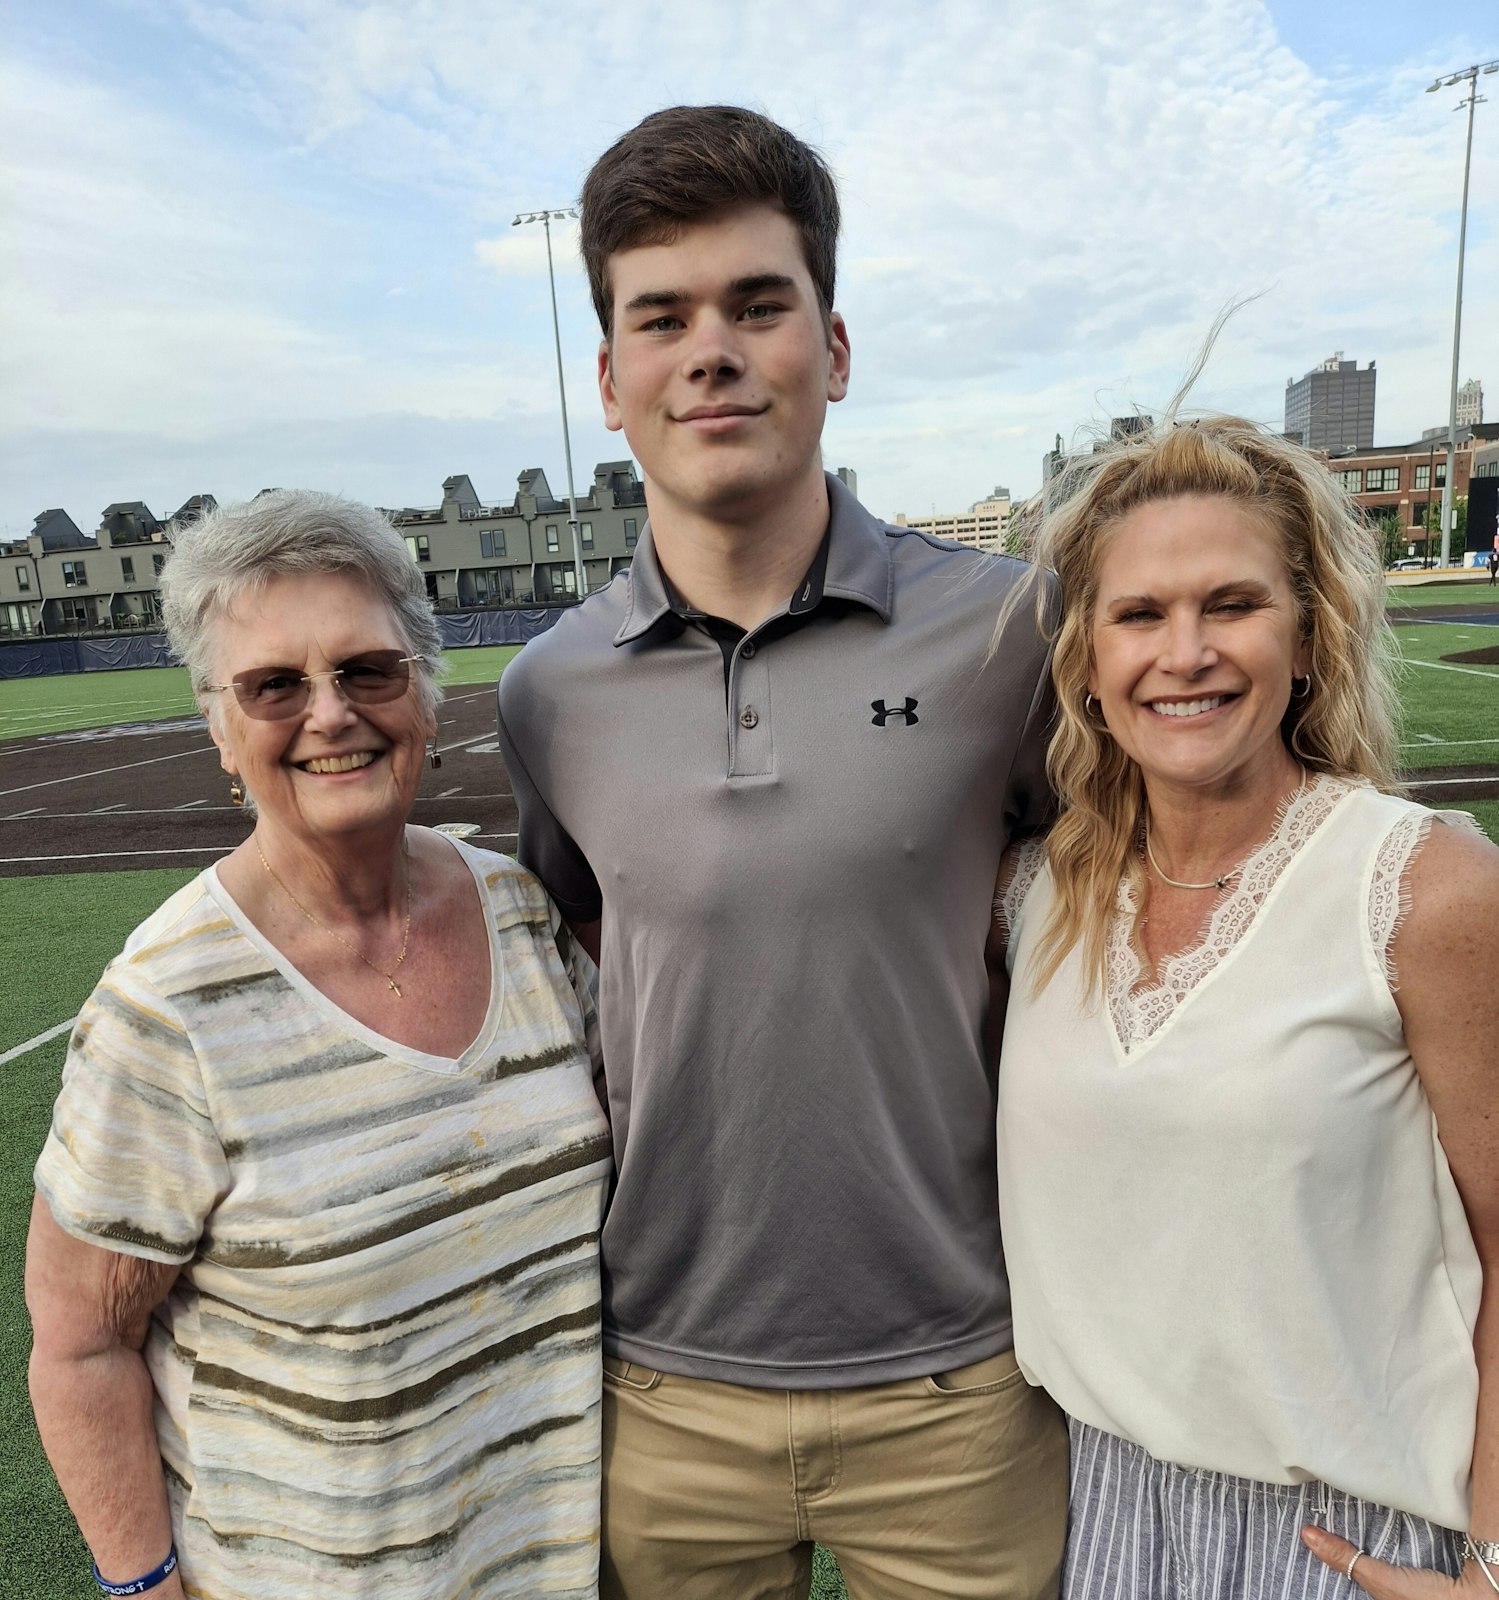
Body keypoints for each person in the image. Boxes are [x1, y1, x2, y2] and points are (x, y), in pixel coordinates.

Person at [496, 104, 1067, 1600]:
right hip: (657, 1392)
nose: (712, 350)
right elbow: (596, 963)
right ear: (609, 379)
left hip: (965, 1385)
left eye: (760, 303)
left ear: (834, 347)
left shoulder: (1011, 631)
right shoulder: (544, 692)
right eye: (661, 316)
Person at [25, 492, 612, 1600]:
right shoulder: (167, 1005)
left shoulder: (522, 915)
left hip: (544, 1567)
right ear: (219, 729)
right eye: (274, 686)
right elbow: (79, 1343)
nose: (330, 713)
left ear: (427, 699)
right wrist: (144, 1587)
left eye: (368, 671)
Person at [991, 416, 1499, 1598]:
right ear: (1084, 660)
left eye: (1230, 604)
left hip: (1346, 1542)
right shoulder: (1034, 895)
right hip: (1099, 1510)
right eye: (1138, 614)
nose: (1184, 653)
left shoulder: (1423, 891)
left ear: (1308, 636)